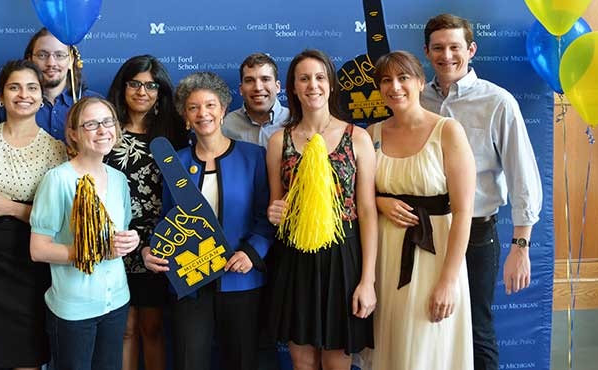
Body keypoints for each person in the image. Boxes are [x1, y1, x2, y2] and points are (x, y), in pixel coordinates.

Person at [421, 14, 542, 370]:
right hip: (422, 229)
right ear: (427, 52)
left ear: (471, 49)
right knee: (427, 324)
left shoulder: (498, 102)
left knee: (477, 328)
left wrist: (521, 246)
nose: (447, 56)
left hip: (476, 232)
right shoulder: (415, 100)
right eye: (438, 48)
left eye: (455, 47)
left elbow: (523, 175)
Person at [143, 72, 273, 370]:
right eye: (193, 107)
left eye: (210, 105)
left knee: (242, 362)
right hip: (190, 281)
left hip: (240, 278)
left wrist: (252, 253)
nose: (203, 114)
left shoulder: (253, 157)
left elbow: (265, 218)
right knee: (190, 360)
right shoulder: (175, 162)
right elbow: (167, 218)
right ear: (185, 116)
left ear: (224, 110)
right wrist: (153, 251)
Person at [266, 49, 377, 370]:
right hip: (295, 257)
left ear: (331, 84)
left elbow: (367, 210)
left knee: (336, 362)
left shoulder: (357, 137)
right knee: (302, 361)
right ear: (293, 87)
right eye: (304, 78)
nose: (312, 85)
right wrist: (275, 212)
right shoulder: (279, 141)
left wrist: (367, 280)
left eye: (319, 77)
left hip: (343, 256)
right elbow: (276, 206)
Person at [365, 51, 474, 369]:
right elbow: (358, 196)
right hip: (385, 257)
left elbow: (464, 211)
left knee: (428, 348)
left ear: (421, 82)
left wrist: (448, 281)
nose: (395, 87)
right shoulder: (371, 134)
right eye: (386, 80)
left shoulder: (448, 131)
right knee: (393, 346)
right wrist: (378, 201)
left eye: (403, 78)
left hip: (434, 257)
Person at [0, 59, 67, 370]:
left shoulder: (55, 151)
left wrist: (12, 208)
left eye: (32, 88)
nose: (23, 94)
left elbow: (62, 221)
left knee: (24, 356)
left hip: (25, 271)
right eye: (14, 87)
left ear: (42, 96)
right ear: (1, 96)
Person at [30, 97, 140, 370]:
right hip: (74, 308)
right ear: (74, 133)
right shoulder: (58, 179)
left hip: (116, 301)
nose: (102, 130)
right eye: (91, 124)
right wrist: (96, 250)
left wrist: (131, 241)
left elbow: (119, 235)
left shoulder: (118, 179)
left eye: (107, 122)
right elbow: (39, 249)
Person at [104, 55, 187, 370]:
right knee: (124, 329)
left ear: (160, 91)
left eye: (151, 85)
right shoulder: (105, 130)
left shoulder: (172, 134)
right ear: (123, 87)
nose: (142, 91)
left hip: (157, 244)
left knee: (152, 328)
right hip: (113, 242)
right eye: (135, 83)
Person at [0, 27, 98, 142]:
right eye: (42, 55)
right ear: (30, 59)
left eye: (59, 55)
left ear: (71, 60)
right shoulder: (14, 105)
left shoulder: (93, 104)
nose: (51, 63)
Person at [222, 52, 290, 148]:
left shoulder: (294, 121)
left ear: (277, 87)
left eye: (265, 79)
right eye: (249, 80)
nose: (258, 88)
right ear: (241, 89)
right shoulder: (226, 125)